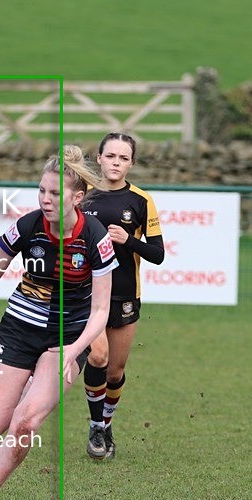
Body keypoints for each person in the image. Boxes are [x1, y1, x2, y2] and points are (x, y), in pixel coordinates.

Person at [0, 146, 117, 500]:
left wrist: (74, 351)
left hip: (67, 335)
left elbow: (101, 312)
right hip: (19, 327)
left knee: (25, 423)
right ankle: (30, 393)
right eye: (42, 190)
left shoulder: (95, 238)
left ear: (77, 198)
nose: (45, 199)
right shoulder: (26, 226)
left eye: (55, 193)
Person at [81, 133, 165, 460]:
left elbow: (157, 254)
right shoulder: (82, 196)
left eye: (123, 158)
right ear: (98, 158)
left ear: (131, 163)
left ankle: (105, 423)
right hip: (87, 295)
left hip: (126, 296)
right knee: (98, 357)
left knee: (114, 372)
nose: (116, 162)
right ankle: (95, 426)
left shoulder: (141, 201)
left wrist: (128, 240)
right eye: (111, 156)